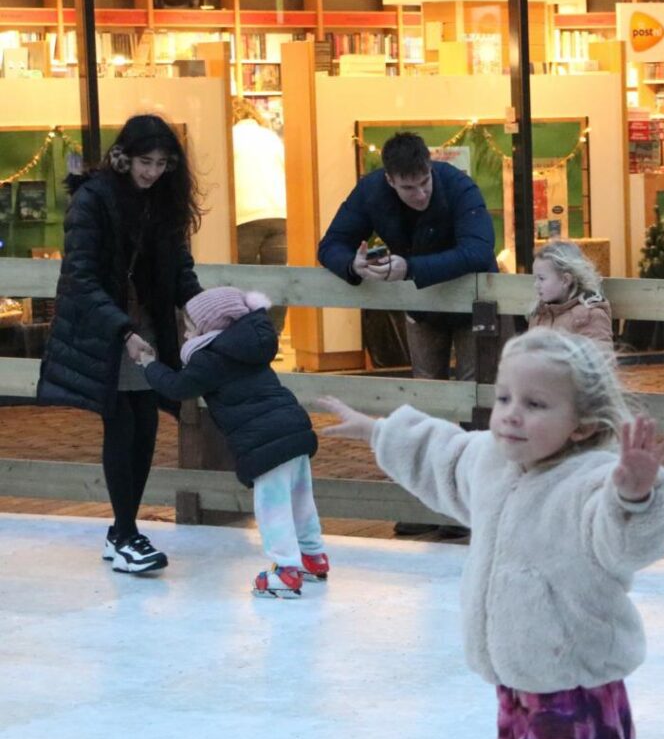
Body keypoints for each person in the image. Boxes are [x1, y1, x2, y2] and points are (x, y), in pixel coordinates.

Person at [316, 328, 664, 739]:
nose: (511, 413)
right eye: (504, 397)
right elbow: (443, 454)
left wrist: (634, 495)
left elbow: (626, 543)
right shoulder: (493, 462)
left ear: (581, 424)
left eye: (535, 404)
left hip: (573, 695)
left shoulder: (590, 483)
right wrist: (378, 431)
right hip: (522, 688)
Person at [36, 113, 205, 574]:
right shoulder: (93, 200)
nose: (152, 172)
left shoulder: (162, 202)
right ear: (123, 157)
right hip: (106, 330)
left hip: (146, 324)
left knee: (146, 421)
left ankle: (122, 532)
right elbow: (81, 278)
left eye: (162, 163)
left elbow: (178, 266)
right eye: (144, 162)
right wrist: (123, 331)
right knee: (122, 422)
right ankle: (126, 532)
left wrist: (202, 305)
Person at [318, 131, 495, 538]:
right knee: (426, 401)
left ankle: (466, 508)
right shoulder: (370, 192)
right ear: (389, 181)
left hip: (475, 308)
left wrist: (409, 268)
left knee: (473, 403)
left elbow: (480, 251)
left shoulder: (459, 185)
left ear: (431, 169)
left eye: (424, 183)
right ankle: (430, 503)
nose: (419, 194)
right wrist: (355, 266)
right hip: (422, 308)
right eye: (407, 187)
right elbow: (331, 245)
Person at [134, 287, 327, 599]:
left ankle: (287, 570)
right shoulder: (247, 346)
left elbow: (177, 387)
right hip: (294, 429)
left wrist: (149, 365)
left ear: (210, 327)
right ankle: (313, 555)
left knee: (272, 507)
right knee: (300, 499)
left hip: (266, 443)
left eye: (190, 327)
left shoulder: (210, 358)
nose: (185, 334)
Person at [231, 99, 288, 337]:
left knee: (244, 280)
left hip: (245, 215)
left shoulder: (229, 138)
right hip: (278, 213)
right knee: (275, 281)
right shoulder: (271, 138)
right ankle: (272, 334)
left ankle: (247, 335)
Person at [528, 241, 613, 349]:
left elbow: (600, 360)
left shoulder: (589, 316)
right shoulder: (539, 314)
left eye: (541, 278)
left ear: (565, 280)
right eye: (535, 278)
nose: (536, 285)